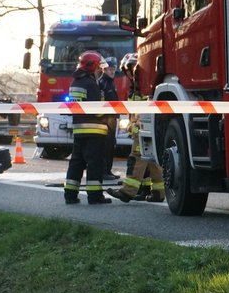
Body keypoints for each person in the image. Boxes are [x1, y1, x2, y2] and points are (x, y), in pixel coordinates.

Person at [107, 53, 165, 203]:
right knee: (152, 161)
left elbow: (145, 110)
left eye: (131, 68)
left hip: (143, 129)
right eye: (128, 70)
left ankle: (127, 192)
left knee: (136, 158)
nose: (130, 73)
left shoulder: (143, 86)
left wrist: (137, 127)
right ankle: (159, 192)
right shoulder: (137, 86)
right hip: (145, 129)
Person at [64, 50, 112, 205]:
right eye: (99, 68)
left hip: (79, 130)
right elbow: (97, 111)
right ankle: (95, 196)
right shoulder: (91, 84)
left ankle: (70, 195)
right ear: (92, 67)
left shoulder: (75, 82)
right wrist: (107, 111)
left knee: (76, 163)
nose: (100, 72)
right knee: (95, 164)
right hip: (95, 131)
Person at [99, 56, 120, 180]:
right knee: (106, 146)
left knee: (111, 145)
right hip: (105, 119)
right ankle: (104, 171)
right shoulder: (103, 83)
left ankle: (108, 170)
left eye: (113, 69)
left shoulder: (110, 82)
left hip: (111, 118)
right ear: (104, 70)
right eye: (110, 69)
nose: (112, 71)